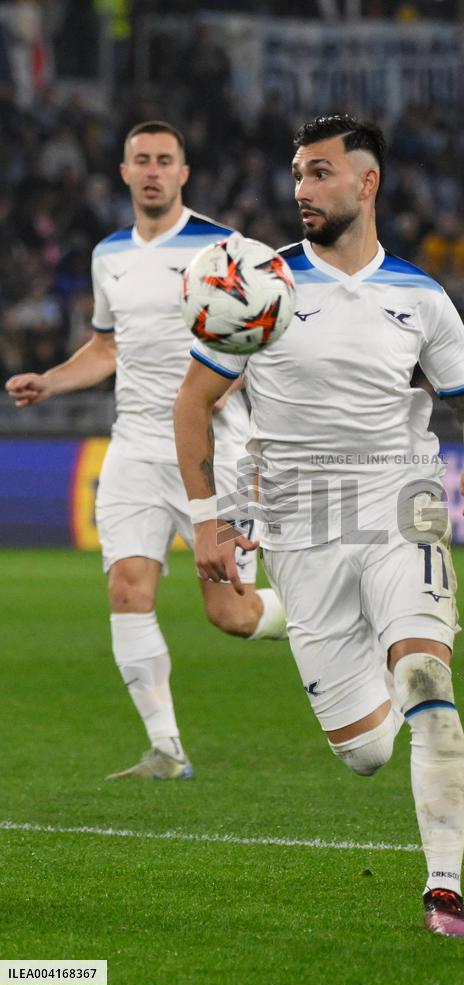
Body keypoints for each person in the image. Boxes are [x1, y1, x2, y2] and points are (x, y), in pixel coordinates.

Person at [173, 114, 464, 936]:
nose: (302, 188)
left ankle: (444, 890)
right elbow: (193, 404)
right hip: (301, 527)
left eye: (319, 172)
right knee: (365, 753)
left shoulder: (421, 296)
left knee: (426, 680)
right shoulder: (263, 285)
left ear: (368, 182)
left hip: (402, 505)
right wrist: (209, 521)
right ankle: (295, 619)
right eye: (297, 174)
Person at [5, 121, 286, 781]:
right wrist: (51, 380)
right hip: (132, 446)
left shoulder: (224, 247)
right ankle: (167, 749)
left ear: (184, 173)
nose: (153, 170)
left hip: (215, 450)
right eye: (142, 160)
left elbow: (268, 332)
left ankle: (317, 616)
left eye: (165, 160)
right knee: (128, 589)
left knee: (230, 612)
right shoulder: (109, 255)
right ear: (125, 173)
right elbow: (107, 346)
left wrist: (231, 379)